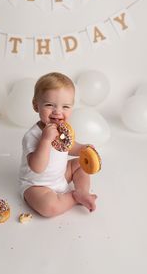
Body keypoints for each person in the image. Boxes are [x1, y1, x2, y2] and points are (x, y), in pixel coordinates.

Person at [19, 72, 97, 217]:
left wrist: (82, 149)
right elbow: (37, 167)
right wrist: (46, 140)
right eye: (49, 105)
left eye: (65, 107)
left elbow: (69, 147)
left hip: (60, 175)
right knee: (49, 208)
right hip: (37, 185)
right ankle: (74, 197)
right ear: (36, 105)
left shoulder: (64, 130)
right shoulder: (32, 136)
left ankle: (83, 191)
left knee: (80, 165)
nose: (58, 112)